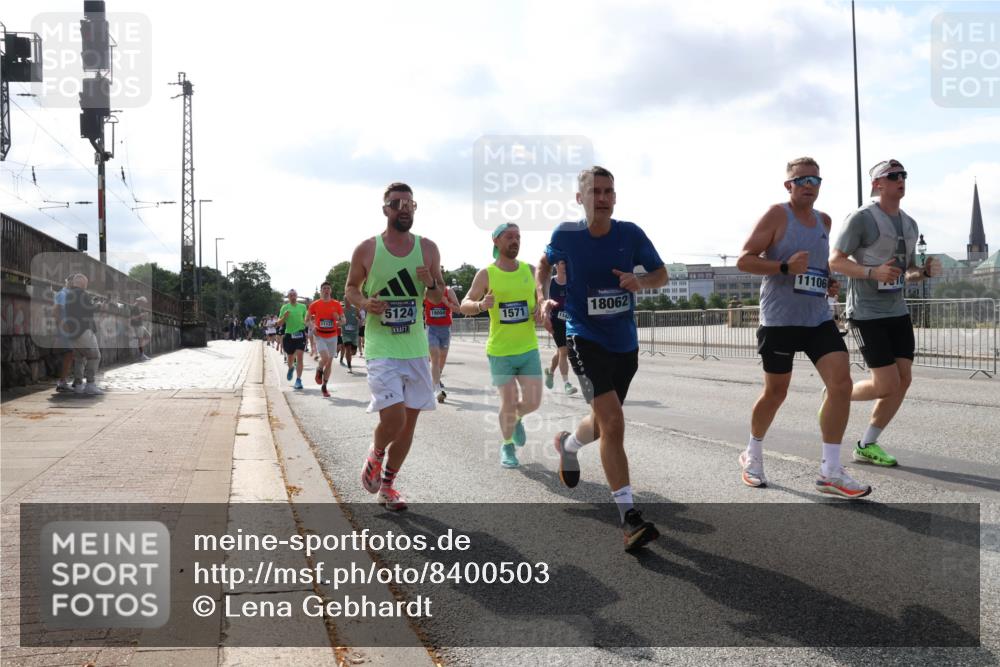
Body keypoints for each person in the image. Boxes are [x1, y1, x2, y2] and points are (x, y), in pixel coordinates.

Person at [537, 166, 668, 552]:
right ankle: (629, 518)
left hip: (624, 343)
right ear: (580, 198)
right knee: (614, 421)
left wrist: (640, 281)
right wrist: (542, 295)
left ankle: (569, 446)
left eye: (609, 191)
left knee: (602, 423)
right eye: (595, 191)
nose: (603, 197)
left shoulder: (631, 234)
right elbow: (543, 265)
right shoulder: (566, 235)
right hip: (584, 337)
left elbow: (660, 273)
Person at [736, 157, 870, 499]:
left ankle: (830, 470)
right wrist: (782, 266)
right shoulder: (776, 215)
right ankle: (752, 452)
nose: (809, 185)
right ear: (789, 185)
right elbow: (744, 259)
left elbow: (815, 266)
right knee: (776, 392)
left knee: (841, 384)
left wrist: (827, 283)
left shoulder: (824, 220)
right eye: (802, 180)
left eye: (815, 180)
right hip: (780, 320)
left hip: (816, 318)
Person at [830, 159, 940, 467]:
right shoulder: (861, 219)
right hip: (866, 312)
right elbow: (835, 261)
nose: (901, 179)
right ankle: (837, 395)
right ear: (878, 183)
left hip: (897, 310)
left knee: (903, 381)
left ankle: (867, 443)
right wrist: (870, 271)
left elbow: (907, 274)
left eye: (904, 175)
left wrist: (925, 273)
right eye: (893, 176)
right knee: (887, 383)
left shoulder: (910, 223)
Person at [345, 182, 444, 511]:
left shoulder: (428, 249)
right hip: (382, 347)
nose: (404, 208)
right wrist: (364, 303)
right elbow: (350, 288)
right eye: (396, 203)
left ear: (414, 209)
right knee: (394, 420)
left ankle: (388, 486)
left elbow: (436, 295)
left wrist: (430, 282)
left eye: (409, 203)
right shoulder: (367, 249)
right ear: (385, 209)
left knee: (408, 424)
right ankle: (375, 453)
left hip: (415, 348)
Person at [461, 224, 543, 467]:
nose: (515, 241)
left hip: (528, 348)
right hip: (500, 352)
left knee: (534, 401)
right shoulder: (486, 274)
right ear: (496, 241)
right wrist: (479, 306)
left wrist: (540, 309)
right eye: (510, 237)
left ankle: (516, 418)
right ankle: (507, 446)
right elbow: (464, 303)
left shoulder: (530, 270)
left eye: (518, 236)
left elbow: (541, 299)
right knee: (508, 401)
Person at [63, 273, 104, 395]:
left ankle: (78, 385)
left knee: (79, 359)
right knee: (94, 356)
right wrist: (99, 305)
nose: (87, 285)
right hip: (84, 331)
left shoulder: (68, 295)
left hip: (72, 332)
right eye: (86, 283)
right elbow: (90, 308)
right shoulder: (83, 294)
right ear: (82, 283)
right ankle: (90, 384)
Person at [541, 261, 578, 395]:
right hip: (556, 321)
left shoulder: (572, 281)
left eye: (567, 263)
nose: (565, 266)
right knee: (564, 351)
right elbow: (544, 302)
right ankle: (567, 384)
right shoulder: (551, 283)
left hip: (570, 321)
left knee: (560, 352)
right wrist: (545, 316)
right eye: (562, 263)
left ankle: (550, 371)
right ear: (556, 265)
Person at [425, 271, 461, 402]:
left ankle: (436, 380)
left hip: (445, 329)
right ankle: (436, 388)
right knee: (434, 358)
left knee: (442, 359)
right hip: (431, 328)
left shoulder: (449, 291)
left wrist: (447, 303)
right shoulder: (426, 291)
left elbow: (458, 309)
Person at [308, 282, 345, 398]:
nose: (326, 290)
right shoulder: (315, 304)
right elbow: (307, 318)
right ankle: (319, 369)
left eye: (328, 288)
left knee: (329, 362)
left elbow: (344, 320)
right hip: (320, 335)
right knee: (324, 358)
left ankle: (324, 386)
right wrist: (312, 326)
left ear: (331, 290)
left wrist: (338, 319)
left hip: (333, 336)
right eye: (324, 288)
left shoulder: (336, 304)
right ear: (321, 291)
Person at [276, 290, 309, 389]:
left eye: (294, 295)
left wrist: (307, 322)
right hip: (289, 335)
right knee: (290, 357)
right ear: (288, 297)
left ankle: (298, 380)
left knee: (300, 357)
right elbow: (279, 323)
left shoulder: (302, 307)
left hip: (300, 334)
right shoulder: (285, 307)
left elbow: (306, 320)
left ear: (297, 296)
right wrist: (284, 317)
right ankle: (290, 368)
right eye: (291, 295)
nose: (293, 296)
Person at [53, 276, 76, 392]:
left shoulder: (69, 294)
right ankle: (62, 381)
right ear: (68, 281)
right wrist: (62, 325)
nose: (74, 283)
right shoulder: (63, 294)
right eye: (72, 281)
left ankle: (64, 380)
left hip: (69, 328)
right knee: (69, 353)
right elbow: (56, 310)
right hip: (65, 328)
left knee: (70, 354)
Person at [339, 302, 361, 373]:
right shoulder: (342, 310)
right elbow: (339, 319)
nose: (346, 301)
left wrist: (359, 320)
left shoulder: (356, 309)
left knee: (353, 352)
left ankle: (348, 355)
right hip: (345, 333)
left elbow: (360, 318)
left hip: (354, 333)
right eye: (345, 300)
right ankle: (349, 366)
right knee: (347, 348)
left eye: (347, 300)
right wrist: (340, 322)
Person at [130, 296, 151, 361]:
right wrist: (142, 315)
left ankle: (140, 351)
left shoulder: (138, 307)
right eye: (143, 302)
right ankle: (141, 354)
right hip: (137, 326)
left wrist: (142, 315)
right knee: (141, 340)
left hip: (140, 325)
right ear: (140, 302)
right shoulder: (135, 307)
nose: (144, 304)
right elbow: (132, 318)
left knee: (148, 336)